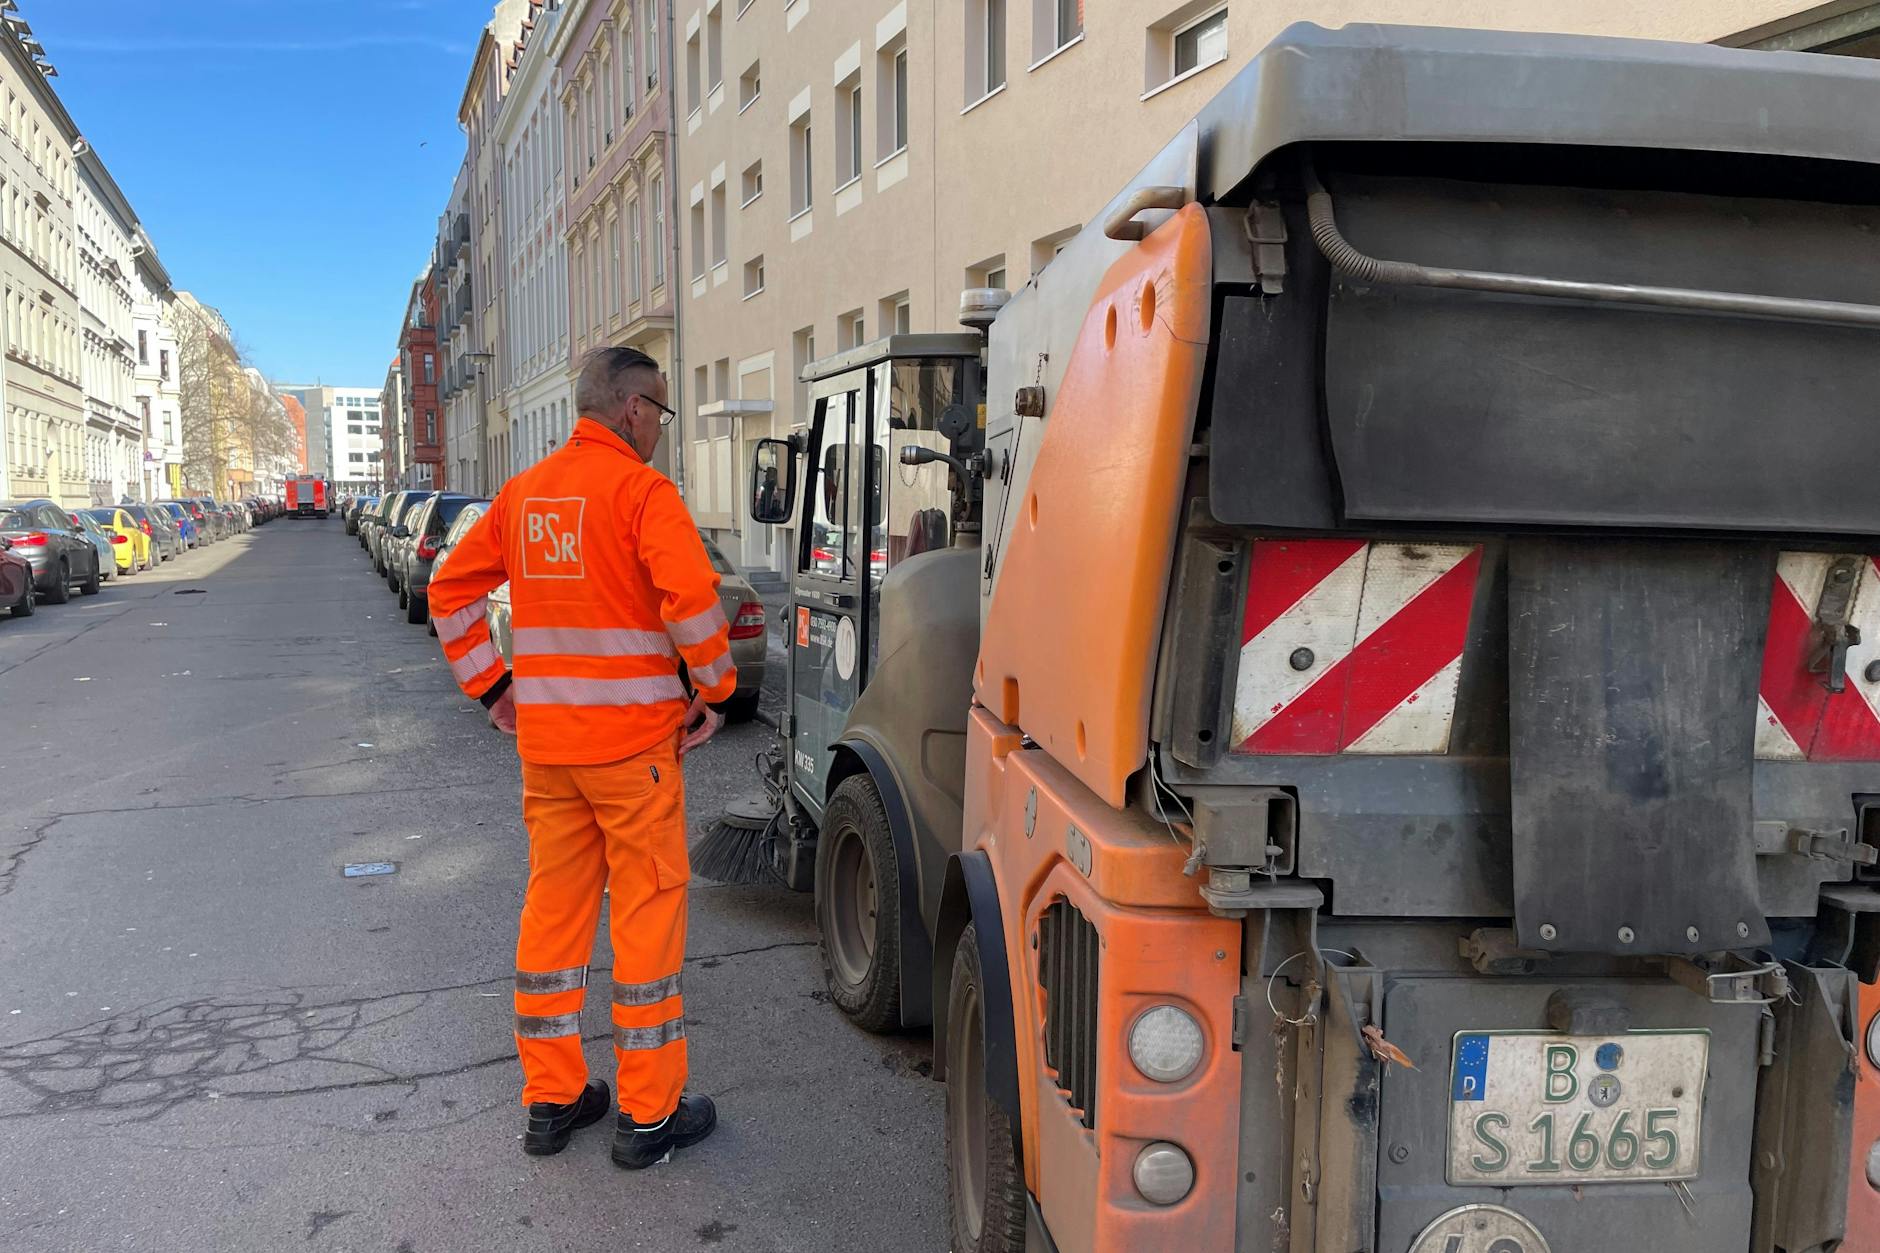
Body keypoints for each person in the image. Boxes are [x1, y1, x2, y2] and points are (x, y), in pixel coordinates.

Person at [425, 346, 736, 1169]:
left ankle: (553, 1099)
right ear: (632, 409)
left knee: (554, 918)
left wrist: (493, 690)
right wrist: (715, 688)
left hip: (551, 755)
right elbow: (694, 604)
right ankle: (646, 1116)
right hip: (633, 754)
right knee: (645, 918)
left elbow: (448, 591)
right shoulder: (642, 493)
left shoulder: (524, 497)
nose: (662, 430)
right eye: (662, 413)